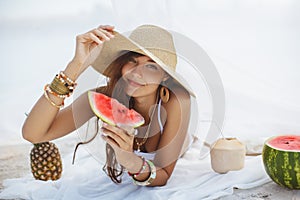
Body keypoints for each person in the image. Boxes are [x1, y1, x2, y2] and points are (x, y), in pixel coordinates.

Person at [22, 24, 195, 187]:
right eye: (133, 61)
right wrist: (75, 65)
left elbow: (163, 175)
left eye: (151, 66)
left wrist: (128, 159)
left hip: (182, 151)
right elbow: (33, 134)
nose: (136, 73)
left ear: (165, 76)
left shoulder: (177, 100)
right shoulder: (104, 96)